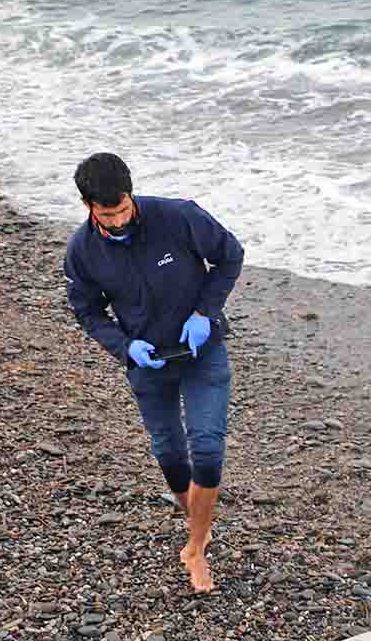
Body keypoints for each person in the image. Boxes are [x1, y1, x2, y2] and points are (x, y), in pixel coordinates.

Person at [63, 152, 243, 593]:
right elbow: (87, 310)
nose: (121, 219)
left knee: (207, 447)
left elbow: (230, 256)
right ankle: (197, 525)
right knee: (169, 453)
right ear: (89, 206)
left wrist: (205, 311)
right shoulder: (82, 251)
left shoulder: (178, 216)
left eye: (124, 208)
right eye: (110, 214)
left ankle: (196, 548)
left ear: (130, 193)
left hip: (202, 351)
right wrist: (126, 348)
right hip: (148, 362)